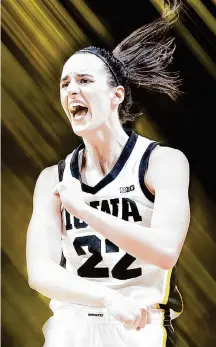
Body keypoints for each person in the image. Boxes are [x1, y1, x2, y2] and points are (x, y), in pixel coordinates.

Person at [26, 1, 190, 346]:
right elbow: (39, 272)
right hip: (73, 327)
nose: (71, 90)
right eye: (65, 83)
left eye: (84, 80)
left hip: (140, 328)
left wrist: (85, 211)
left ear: (116, 95)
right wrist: (106, 298)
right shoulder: (52, 179)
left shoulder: (162, 162)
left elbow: (165, 250)